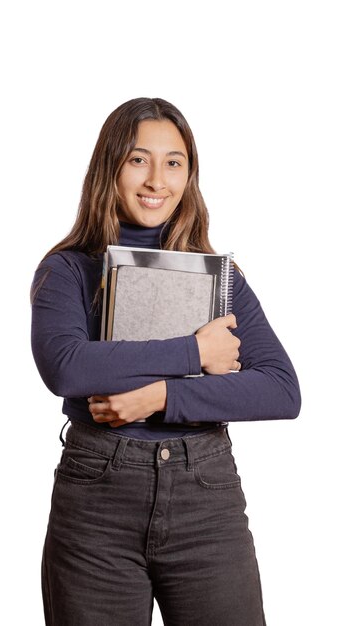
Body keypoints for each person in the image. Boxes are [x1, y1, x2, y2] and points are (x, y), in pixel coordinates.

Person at [31, 97, 301, 626]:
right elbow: (66, 367)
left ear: (190, 175)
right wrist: (195, 352)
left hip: (206, 498)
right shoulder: (66, 270)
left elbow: (280, 390)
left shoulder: (220, 278)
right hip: (96, 502)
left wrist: (161, 396)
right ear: (109, 167)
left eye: (174, 162)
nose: (157, 179)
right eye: (138, 159)